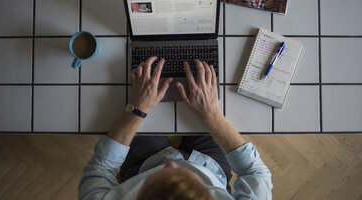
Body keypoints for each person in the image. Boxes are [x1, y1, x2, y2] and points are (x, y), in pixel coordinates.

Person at [78, 57, 273, 200]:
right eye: (191, 183)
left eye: (158, 182)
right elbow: (255, 174)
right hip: (212, 168)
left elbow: (100, 168)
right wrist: (212, 115)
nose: (171, 165)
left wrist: (137, 109)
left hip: (143, 165)